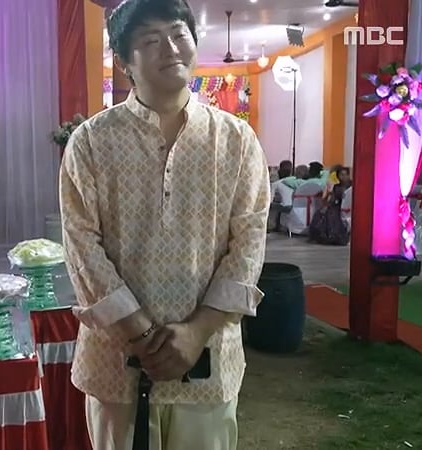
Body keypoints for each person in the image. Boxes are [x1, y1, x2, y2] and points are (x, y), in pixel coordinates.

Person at [59, 0, 269, 448]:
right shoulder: (91, 142)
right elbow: (82, 248)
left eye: (178, 35)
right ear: (124, 61)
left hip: (207, 362)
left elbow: (248, 246)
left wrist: (195, 333)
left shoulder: (236, 141)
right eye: (151, 40)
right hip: (116, 366)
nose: (170, 48)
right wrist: (142, 334)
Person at [309, 166, 352, 245]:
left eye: (345, 175)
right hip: (338, 205)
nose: (344, 177)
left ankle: (337, 236)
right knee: (322, 212)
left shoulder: (352, 186)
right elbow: (331, 200)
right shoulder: (336, 187)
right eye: (341, 175)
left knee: (331, 214)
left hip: (348, 207)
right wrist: (329, 194)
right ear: (338, 176)